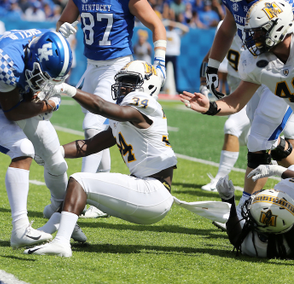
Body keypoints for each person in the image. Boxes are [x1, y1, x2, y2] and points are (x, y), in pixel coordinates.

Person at [25, 61, 228, 257]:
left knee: (79, 180)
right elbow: (89, 146)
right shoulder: (125, 117)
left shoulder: (146, 105)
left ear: (148, 85)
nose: (122, 86)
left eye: (130, 80)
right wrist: (54, 152)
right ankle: (56, 228)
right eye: (122, 80)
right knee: (80, 186)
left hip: (153, 192)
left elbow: (101, 107)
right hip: (146, 193)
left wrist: (68, 90)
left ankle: (61, 242)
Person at [55, 0, 167, 218]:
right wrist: (65, 31)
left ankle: (82, 193)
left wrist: (160, 60)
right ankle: (99, 196)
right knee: (100, 132)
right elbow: (64, 21)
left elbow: (156, 24)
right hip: (91, 65)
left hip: (117, 65)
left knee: (93, 125)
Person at [204, 0, 294, 214]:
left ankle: (247, 206)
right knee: (267, 140)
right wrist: (212, 64)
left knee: (259, 140)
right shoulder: (234, 1)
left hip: (284, 68)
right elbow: (227, 26)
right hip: (258, 66)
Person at [0, 29, 78, 248]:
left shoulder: (39, 42)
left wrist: (39, 97)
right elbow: (12, 111)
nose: (47, 84)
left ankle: (63, 217)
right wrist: (48, 104)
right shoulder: (6, 61)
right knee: (24, 149)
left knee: (56, 159)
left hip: (19, 98)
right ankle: (19, 229)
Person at [182, 0, 294, 191]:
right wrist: (211, 107)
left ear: (278, 28)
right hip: (279, 99)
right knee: (261, 143)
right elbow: (237, 100)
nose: (251, 37)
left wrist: (277, 171)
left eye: (258, 31)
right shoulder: (257, 62)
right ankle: (247, 206)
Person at [199, 23, 251, 192]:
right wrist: (204, 88)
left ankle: (220, 180)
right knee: (253, 137)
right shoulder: (226, 25)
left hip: (262, 86)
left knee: (280, 138)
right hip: (240, 88)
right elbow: (208, 59)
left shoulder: (259, 20)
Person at [215, 165, 294, 258]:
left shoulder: (253, 247)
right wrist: (278, 170)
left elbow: (236, 238)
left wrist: (227, 199)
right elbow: (235, 239)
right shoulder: (252, 247)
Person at [163, 18, 189, 95]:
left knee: (175, 73)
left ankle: (176, 88)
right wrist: (168, 22)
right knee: (163, 72)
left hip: (174, 54)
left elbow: (186, 29)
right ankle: (161, 88)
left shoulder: (176, 32)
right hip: (166, 54)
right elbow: (160, 25)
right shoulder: (165, 32)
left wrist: (176, 24)